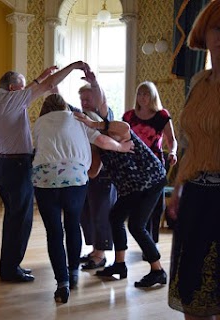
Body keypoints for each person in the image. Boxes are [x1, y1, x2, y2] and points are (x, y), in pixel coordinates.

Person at [0, 61, 86, 283]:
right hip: (16, 166)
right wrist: (73, 67)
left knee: (14, 219)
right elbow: (50, 84)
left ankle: (10, 266)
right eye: (22, 88)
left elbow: (39, 85)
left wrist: (39, 77)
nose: (26, 92)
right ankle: (11, 269)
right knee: (20, 220)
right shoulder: (11, 100)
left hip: (6, 164)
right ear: (13, 88)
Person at [33, 92, 134, 303]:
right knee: (72, 226)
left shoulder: (39, 122)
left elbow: (34, 148)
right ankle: (73, 272)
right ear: (66, 107)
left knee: (53, 233)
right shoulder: (78, 119)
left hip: (45, 179)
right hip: (75, 178)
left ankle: (62, 283)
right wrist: (122, 147)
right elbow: (104, 142)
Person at [76, 105, 168, 289]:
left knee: (136, 226)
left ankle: (158, 271)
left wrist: (93, 124)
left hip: (150, 181)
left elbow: (125, 127)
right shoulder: (97, 146)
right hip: (131, 188)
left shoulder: (116, 132)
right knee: (115, 217)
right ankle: (119, 265)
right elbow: (93, 172)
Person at [167, 2, 220, 319]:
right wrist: (178, 187)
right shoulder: (199, 83)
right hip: (196, 197)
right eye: (217, 27)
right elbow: (189, 143)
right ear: (205, 33)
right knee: (192, 294)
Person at [123, 81, 178, 243]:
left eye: (146, 94)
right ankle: (144, 239)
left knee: (156, 206)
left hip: (155, 166)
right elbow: (121, 137)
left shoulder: (161, 116)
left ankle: (152, 242)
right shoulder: (129, 117)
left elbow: (172, 140)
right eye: (140, 94)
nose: (142, 97)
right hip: (134, 165)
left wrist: (173, 152)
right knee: (139, 206)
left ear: (153, 96)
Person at [77, 83, 117, 270]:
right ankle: (94, 250)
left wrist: (92, 172)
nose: (84, 103)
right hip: (87, 175)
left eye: (88, 99)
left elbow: (99, 150)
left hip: (103, 176)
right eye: (82, 99)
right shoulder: (83, 118)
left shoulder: (104, 117)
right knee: (86, 213)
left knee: (101, 214)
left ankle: (101, 255)